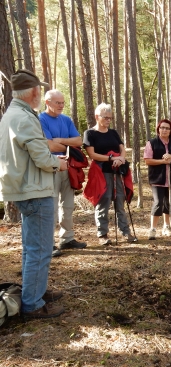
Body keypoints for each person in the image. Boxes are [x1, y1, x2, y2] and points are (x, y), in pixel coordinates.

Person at [0, 69, 67, 319]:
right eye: (40, 90)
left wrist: (49, 158)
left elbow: (30, 152)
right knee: (40, 249)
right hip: (34, 189)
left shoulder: (13, 114)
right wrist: (57, 163)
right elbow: (40, 157)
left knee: (32, 247)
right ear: (35, 92)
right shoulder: (24, 117)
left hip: (24, 187)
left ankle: (34, 291)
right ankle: (32, 304)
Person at [39, 89, 87, 257]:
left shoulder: (66, 120)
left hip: (69, 167)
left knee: (67, 205)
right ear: (47, 102)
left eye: (62, 102)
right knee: (50, 206)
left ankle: (67, 238)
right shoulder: (40, 119)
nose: (61, 105)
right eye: (57, 102)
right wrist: (68, 145)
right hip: (50, 167)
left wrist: (60, 141)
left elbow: (79, 141)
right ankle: (48, 244)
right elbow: (49, 146)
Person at [83, 103, 136, 245]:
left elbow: (122, 148)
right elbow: (92, 154)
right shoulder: (90, 133)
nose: (108, 120)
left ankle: (126, 232)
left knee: (120, 198)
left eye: (110, 118)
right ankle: (103, 234)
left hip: (118, 170)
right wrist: (111, 158)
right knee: (104, 200)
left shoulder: (113, 133)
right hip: (101, 171)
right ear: (97, 117)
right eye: (105, 117)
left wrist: (121, 158)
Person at [144, 119, 171, 239]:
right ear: (158, 129)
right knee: (158, 202)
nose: (164, 130)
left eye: (167, 128)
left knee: (169, 203)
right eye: (162, 127)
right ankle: (152, 229)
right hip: (157, 178)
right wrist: (162, 161)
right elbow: (147, 160)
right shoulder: (151, 143)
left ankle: (166, 226)